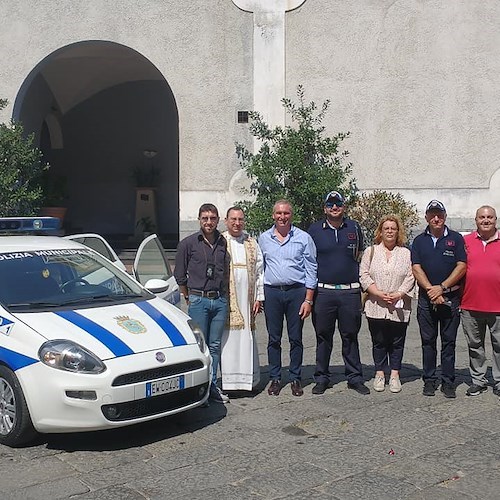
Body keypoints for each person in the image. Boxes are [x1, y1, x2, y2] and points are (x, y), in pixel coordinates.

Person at [308, 191, 370, 395]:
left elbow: (361, 254)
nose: (334, 208)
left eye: (338, 204)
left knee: (350, 336)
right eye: (330, 204)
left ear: (344, 207)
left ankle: (354, 377)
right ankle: (322, 378)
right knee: (323, 336)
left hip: (349, 292)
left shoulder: (354, 227)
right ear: (325, 208)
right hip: (323, 292)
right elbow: (308, 261)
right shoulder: (315, 230)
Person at [258, 200, 317, 397]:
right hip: (272, 293)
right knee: (273, 338)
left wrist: (308, 299)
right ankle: (275, 378)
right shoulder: (264, 238)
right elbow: (260, 269)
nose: (282, 217)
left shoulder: (303, 238)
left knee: (296, 338)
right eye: (279, 213)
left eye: (286, 213)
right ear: (273, 215)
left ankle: (295, 378)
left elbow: (311, 268)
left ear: (292, 215)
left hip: (296, 292)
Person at [174, 203, 230, 404]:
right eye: (205, 218)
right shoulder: (188, 243)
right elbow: (179, 274)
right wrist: (189, 296)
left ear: (217, 219)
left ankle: (212, 387)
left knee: (214, 346)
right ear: (199, 219)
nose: (209, 222)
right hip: (198, 299)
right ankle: (199, 389)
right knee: (200, 346)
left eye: (212, 218)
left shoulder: (223, 242)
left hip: (219, 300)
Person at [411, 200, 466, 398]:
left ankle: (448, 382)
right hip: (427, 300)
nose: (436, 218)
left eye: (439, 214)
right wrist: (431, 290)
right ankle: (429, 380)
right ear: (426, 217)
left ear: (445, 216)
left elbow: (461, 266)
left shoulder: (456, 238)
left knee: (449, 342)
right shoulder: (418, 241)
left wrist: (441, 288)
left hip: (450, 297)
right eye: (432, 214)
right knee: (428, 341)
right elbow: (416, 267)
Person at [359, 215, 415, 393]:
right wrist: (376, 292)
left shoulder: (406, 253)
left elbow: (411, 276)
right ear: (380, 232)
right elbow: (364, 274)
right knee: (379, 340)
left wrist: (399, 293)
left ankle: (395, 375)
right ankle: (380, 373)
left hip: (399, 305)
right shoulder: (371, 251)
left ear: (398, 232)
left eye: (393, 228)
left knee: (397, 341)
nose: (390, 231)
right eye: (386, 228)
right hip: (376, 304)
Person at [220, 206, 264, 392]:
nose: (237, 223)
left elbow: (260, 271)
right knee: (227, 339)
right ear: (226, 220)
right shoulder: (220, 241)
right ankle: (228, 382)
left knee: (246, 337)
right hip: (227, 297)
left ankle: (247, 381)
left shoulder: (252, 243)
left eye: (240, 219)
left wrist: (259, 298)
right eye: (233, 219)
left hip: (247, 298)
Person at [461, 205, 500, 398]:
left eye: (490, 217)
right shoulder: (466, 242)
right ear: (475, 220)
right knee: (475, 345)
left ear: (495, 220)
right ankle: (478, 381)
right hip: (470, 304)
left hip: (498, 305)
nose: (486, 220)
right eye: (482, 217)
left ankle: (499, 381)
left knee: (499, 346)